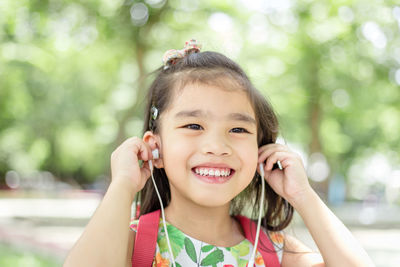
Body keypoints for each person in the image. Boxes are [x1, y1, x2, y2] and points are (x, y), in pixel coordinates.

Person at [63, 40, 374, 267]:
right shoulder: (130, 244)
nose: (217, 146)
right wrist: (122, 186)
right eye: (194, 125)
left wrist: (303, 194)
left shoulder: (272, 251)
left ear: (260, 151)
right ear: (154, 148)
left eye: (238, 130)